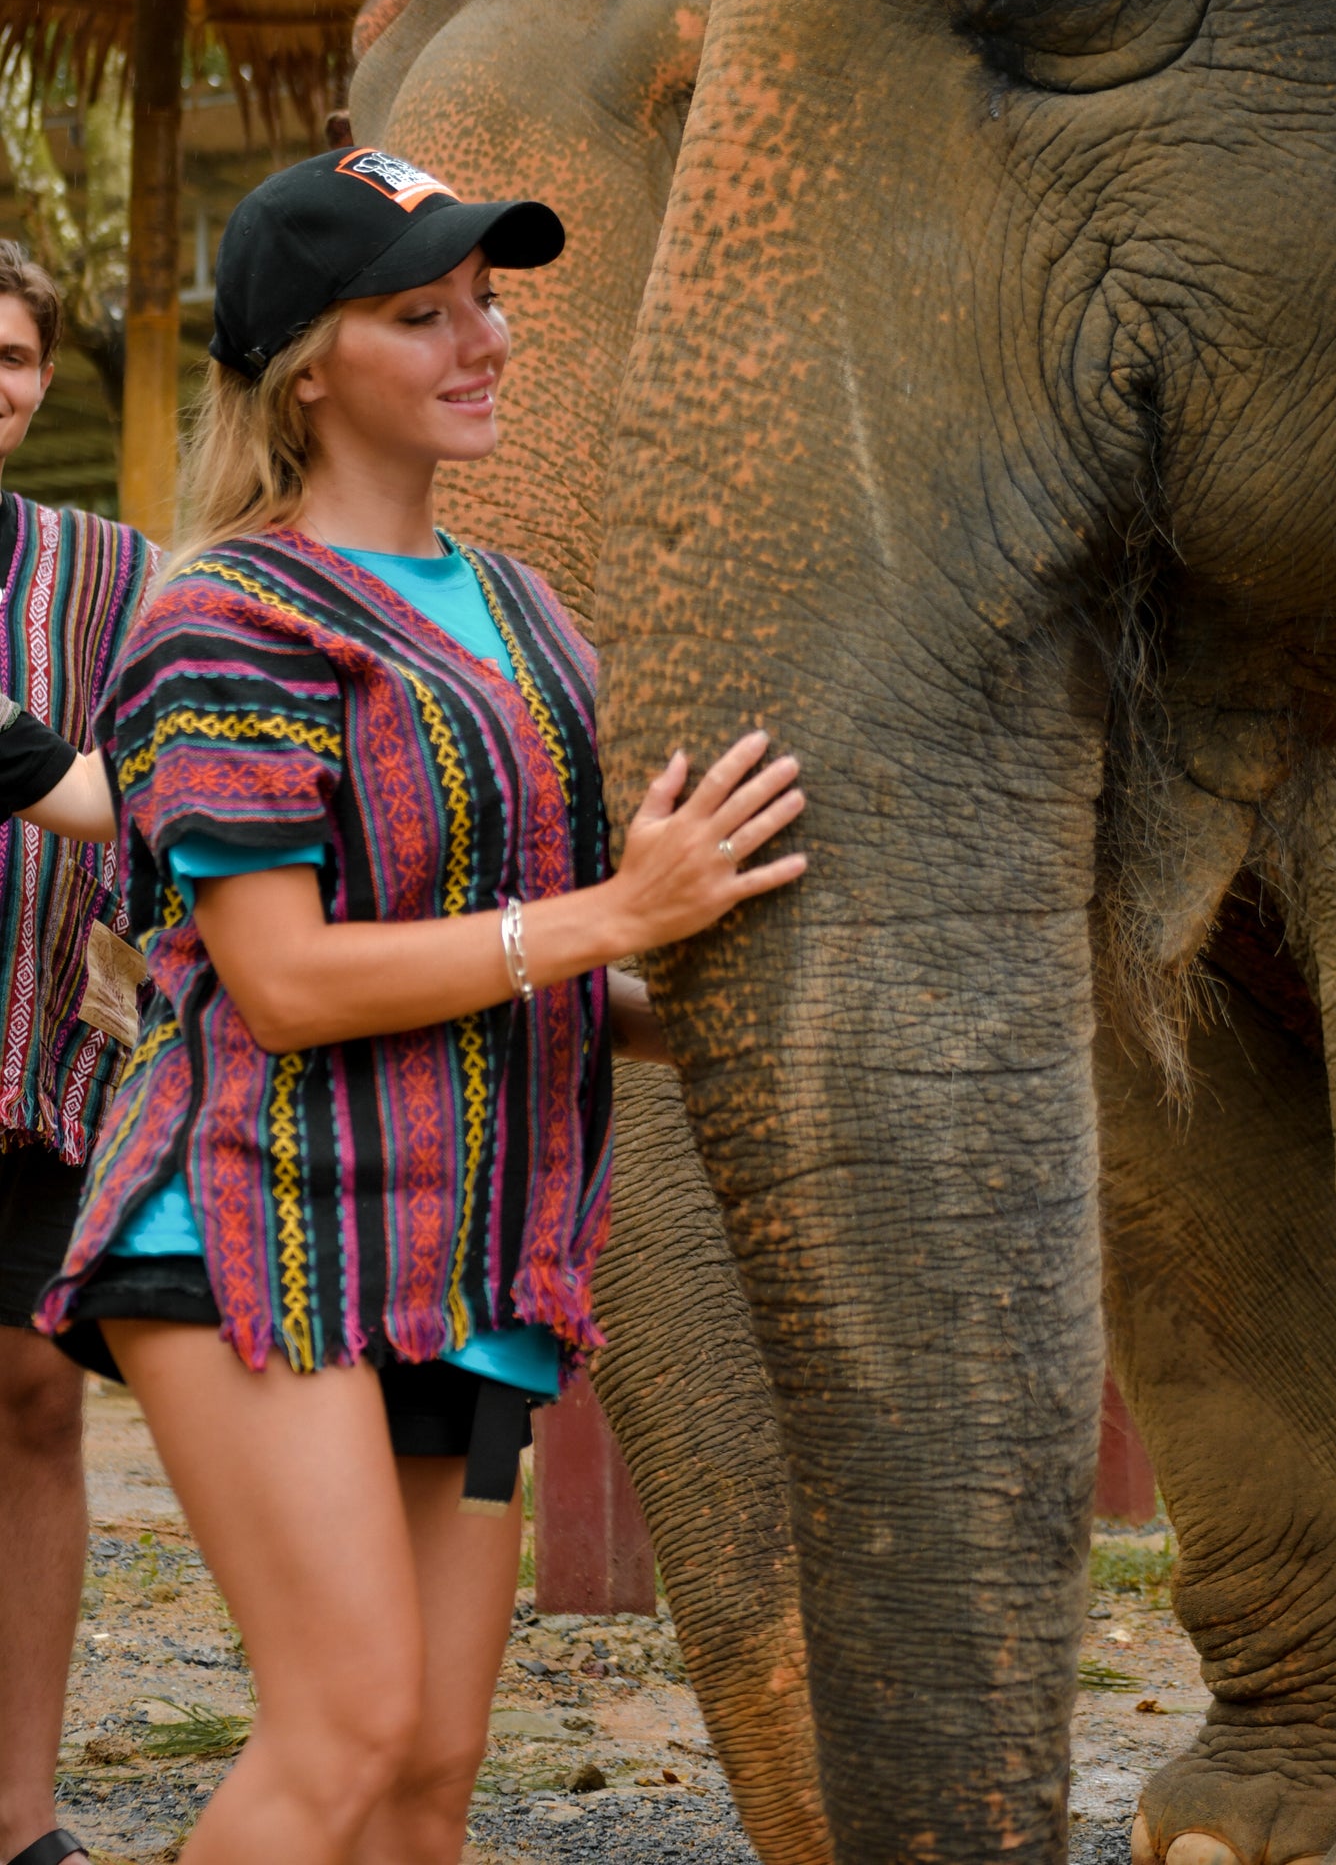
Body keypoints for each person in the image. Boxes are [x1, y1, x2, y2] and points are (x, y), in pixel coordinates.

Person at [37, 148, 807, 1865]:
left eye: (486, 302)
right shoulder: (223, 614)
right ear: (309, 365)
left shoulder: (528, 611)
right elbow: (290, 981)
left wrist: (686, 986)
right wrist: (615, 913)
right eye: (421, 313)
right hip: (257, 1225)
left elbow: (507, 961)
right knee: (344, 1734)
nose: (485, 341)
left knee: (426, 1779)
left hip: (468, 1250)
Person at [0, 242, 156, 1865]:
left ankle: (20, 1816)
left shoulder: (113, 574)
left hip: (34, 1054)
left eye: (16, 356)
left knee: (37, 1410)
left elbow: (170, 766)